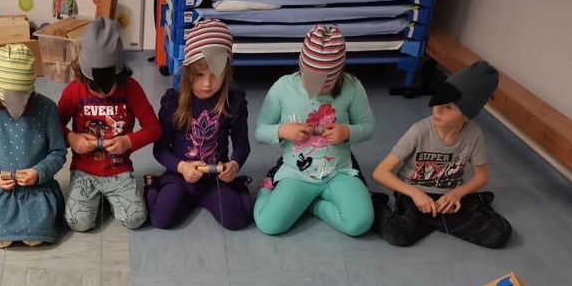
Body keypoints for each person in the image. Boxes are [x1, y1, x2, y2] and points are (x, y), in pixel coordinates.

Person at [371, 61, 511, 248]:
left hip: (448, 196)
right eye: (438, 100)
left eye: (449, 107)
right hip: (413, 193)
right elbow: (380, 172)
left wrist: (457, 193)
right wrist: (415, 194)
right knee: (399, 235)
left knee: (499, 234)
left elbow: (482, 176)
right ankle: (377, 203)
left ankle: (433, 218)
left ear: (467, 113)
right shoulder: (419, 131)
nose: (438, 109)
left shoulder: (473, 135)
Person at [253, 24, 375, 237]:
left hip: (339, 172)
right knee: (269, 225)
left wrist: (347, 132)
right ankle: (268, 188)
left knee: (360, 223)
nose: (315, 89)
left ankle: (311, 205)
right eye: (309, 80)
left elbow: (369, 127)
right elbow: (260, 132)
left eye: (324, 84)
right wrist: (283, 131)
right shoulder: (283, 87)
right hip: (296, 172)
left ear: (337, 74)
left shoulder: (352, 87)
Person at [146, 19, 252, 231]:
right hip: (179, 176)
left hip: (215, 178)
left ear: (226, 71)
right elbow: (160, 149)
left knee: (236, 220)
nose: (207, 84)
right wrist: (182, 167)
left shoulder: (233, 101)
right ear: (188, 72)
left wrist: (234, 165)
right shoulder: (174, 101)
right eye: (199, 74)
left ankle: (240, 187)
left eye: (216, 75)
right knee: (160, 220)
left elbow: (242, 145)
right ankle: (152, 186)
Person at [58, 17, 160, 232]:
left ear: (119, 74)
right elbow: (54, 124)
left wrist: (128, 141)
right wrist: (71, 138)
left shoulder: (131, 88)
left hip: (118, 170)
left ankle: (109, 199)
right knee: (78, 223)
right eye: (95, 88)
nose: (103, 94)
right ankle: (99, 200)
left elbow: (154, 128)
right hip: (84, 171)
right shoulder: (74, 89)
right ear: (84, 76)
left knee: (136, 219)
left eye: (108, 86)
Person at [0, 44, 67, 247]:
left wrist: (38, 172)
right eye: (6, 100)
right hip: (2, 189)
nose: (11, 105)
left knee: (37, 234)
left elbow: (58, 152)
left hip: (38, 188)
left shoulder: (47, 108)